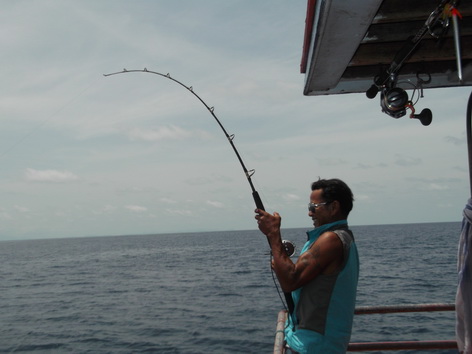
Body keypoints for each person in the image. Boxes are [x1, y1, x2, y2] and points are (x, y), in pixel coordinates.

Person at [255, 178, 359, 354]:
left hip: (316, 346)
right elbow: (297, 275)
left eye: (314, 207)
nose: (310, 213)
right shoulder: (343, 238)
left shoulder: (330, 240)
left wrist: (273, 234)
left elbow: (290, 281)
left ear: (334, 207)